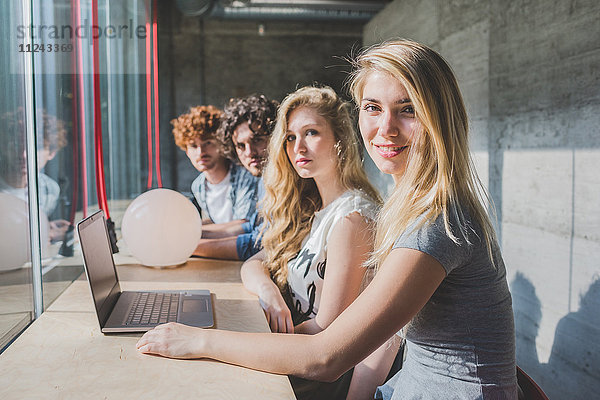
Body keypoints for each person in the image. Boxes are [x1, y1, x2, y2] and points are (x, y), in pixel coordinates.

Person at [138, 40, 518, 400]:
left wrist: (200, 340)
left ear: (440, 117)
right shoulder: (406, 207)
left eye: (408, 109)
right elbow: (387, 337)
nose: (385, 128)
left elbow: (324, 358)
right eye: (372, 107)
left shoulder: (435, 223)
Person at [193, 95, 278, 260]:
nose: (249, 152)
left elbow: (261, 244)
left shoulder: (289, 180)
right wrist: (186, 235)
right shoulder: (264, 178)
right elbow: (251, 227)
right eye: (240, 145)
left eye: (258, 140)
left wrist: (188, 247)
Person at [171, 105, 258, 225]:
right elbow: (220, 224)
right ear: (186, 151)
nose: (201, 152)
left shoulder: (246, 174)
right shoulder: (198, 186)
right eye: (193, 146)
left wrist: (192, 232)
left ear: (222, 143)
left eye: (208, 143)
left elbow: (244, 226)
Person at [0, 109, 70, 242]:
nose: (24, 155)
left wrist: (46, 228)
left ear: (52, 152)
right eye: (16, 145)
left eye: (35, 148)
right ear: (3, 147)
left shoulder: (49, 190)